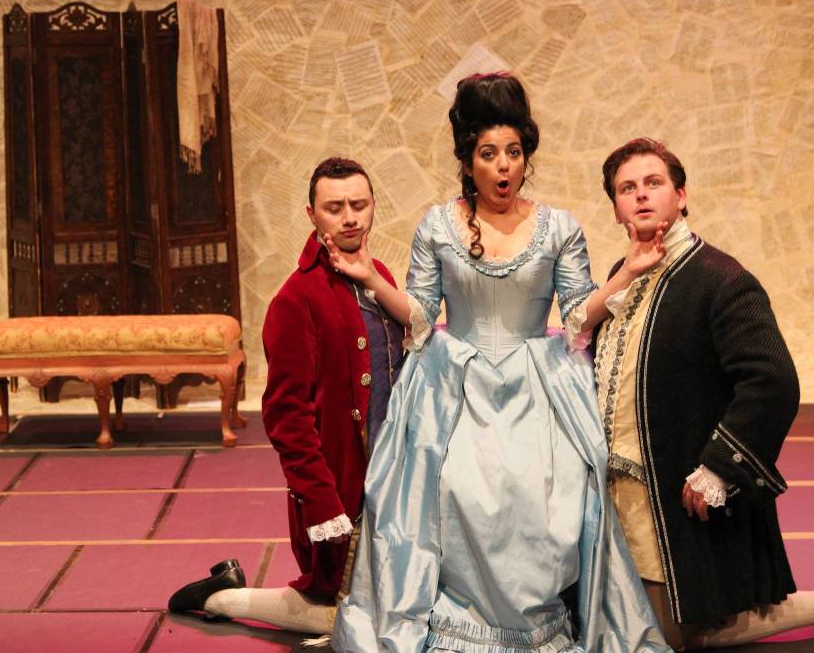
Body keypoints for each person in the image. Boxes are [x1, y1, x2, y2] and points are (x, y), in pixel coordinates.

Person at [330, 73, 668, 651]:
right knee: (456, 491)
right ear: (468, 161)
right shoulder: (437, 224)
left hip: (539, 385)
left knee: (544, 499)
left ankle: (536, 623)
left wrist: (628, 272)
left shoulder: (559, 227)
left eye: (513, 151)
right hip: (453, 385)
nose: (504, 166)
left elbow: (579, 316)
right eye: (489, 154)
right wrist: (370, 279)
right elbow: (420, 314)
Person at [596, 137, 814, 650]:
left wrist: (718, 469)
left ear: (680, 196)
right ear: (615, 209)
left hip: (680, 505)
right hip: (621, 498)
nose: (640, 195)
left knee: (669, 635)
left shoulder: (720, 278)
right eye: (627, 188)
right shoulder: (621, 274)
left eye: (653, 183)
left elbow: (772, 380)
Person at [168, 157, 405, 635]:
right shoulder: (296, 298)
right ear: (311, 214)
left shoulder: (379, 276)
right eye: (334, 208)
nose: (350, 218)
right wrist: (320, 500)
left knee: (403, 604)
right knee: (346, 619)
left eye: (359, 205)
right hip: (343, 489)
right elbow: (285, 415)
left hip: (392, 480)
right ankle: (222, 595)